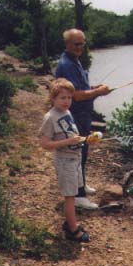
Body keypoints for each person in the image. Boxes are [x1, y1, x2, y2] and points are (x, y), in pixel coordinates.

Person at [55, 29, 110, 209]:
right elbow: (76, 96)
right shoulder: (66, 64)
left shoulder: (75, 61)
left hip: (83, 115)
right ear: (67, 44)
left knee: (82, 153)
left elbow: (81, 87)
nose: (80, 47)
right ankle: (77, 197)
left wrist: (96, 88)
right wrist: (98, 92)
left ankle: (81, 185)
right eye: (76, 44)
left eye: (82, 44)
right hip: (75, 115)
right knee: (76, 154)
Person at [39, 78, 92, 242]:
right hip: (64, 162)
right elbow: (45, 144)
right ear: (53, 98)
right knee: (70, 197)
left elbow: (71, 135)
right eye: (62, 98)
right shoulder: (50, 117)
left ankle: (70, 222)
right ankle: (72, 230)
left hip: (75, 159)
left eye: (69, 97)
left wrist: (85, 139)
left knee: (73, 194)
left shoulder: (67, 112)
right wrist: (68, 142)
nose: (67, 101)